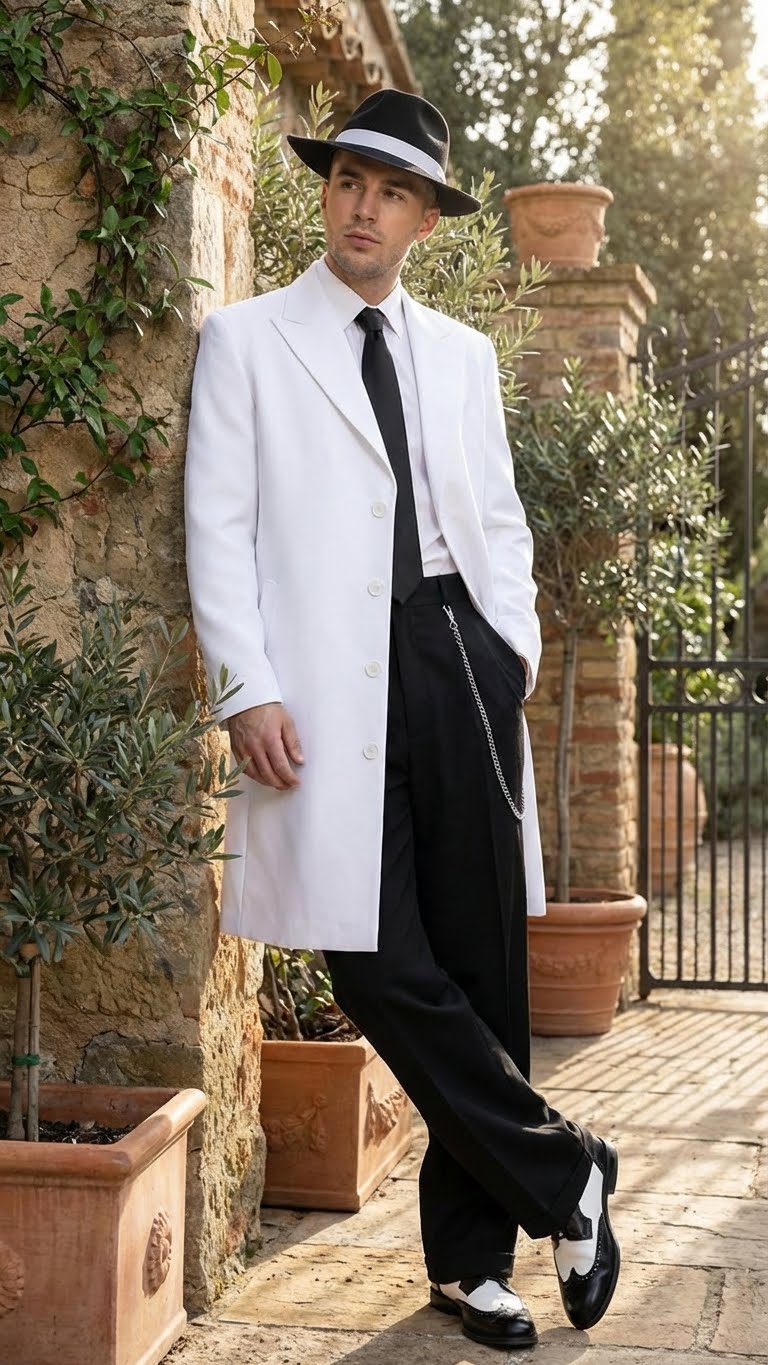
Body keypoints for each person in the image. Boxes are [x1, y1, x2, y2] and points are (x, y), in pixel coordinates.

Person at [185, 88, 620, 1351]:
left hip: (459, 658)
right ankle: (567, 1171)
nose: (363, 208)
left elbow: (498, 518)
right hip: (327, 681)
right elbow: (216, 524)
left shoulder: (464, 357)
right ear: (326, 194)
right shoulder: (248, 341)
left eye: (392, 192)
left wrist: (510, 649)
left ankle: (472, 1268)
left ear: (426, 219)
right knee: (373, 960)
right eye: (348, 182)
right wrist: (246, 685)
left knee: (481, 963)